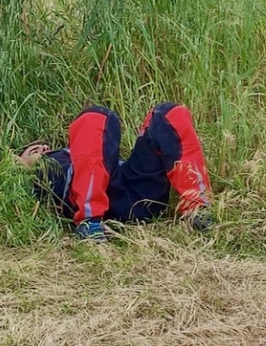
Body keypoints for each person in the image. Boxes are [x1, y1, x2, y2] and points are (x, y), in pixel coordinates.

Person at [19, 103, 213, 242]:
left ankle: (197, 209)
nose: (43, 148)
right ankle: (89, 222)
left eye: (42, 148)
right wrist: (23, 165)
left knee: (169, 112)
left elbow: (99, 154)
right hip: (90, 198)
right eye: (34, 150)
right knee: (95, 116)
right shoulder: (36, 173)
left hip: (136, 193)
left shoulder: (82, 150)